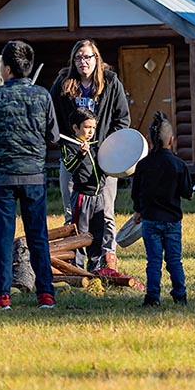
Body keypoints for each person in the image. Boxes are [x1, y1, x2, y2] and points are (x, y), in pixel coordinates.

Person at [0, 40, 59, 309]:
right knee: (38, 236)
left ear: (7, 68)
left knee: (2, 237)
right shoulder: (43, 95)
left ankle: (1, 295)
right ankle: (45, 293)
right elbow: (53, 135)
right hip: (34, 176)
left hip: (2, 178)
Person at [49, 39, 130, 272]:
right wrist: (62, 140)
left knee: (105, 210)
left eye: (88, 57)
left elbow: (122, 119)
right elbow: (51, 114)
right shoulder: (64, 83)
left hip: (103, 156)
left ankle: (107, 256)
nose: (83, 62)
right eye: (79, 58)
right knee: (71, 208)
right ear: (73, 61)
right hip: (73, 153)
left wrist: (109, 146)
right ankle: (72, 257)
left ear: (97, 59)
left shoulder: (111, 83)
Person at [131, 111, 193, 307]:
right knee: (174, 260)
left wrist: (138, 210)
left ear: (149, 140)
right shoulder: (179, 165)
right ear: (171, 140)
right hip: (173, 221)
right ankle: (180, 295)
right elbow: (187, 192)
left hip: (150, 220)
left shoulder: (143, 165)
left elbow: (136, 192)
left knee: (154, 261)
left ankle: (152, 297)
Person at [61, 108, 106, 272]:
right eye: (87, 127)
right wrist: (81, 154)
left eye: (93, 128)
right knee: (81, 235)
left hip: (99, 197)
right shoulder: (70, 146)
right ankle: (78, 269)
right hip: (82, 198)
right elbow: (69, 167)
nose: (90, 132)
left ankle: (95, 268)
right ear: (75, 128)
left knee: (98, 234)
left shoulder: (97, 145)